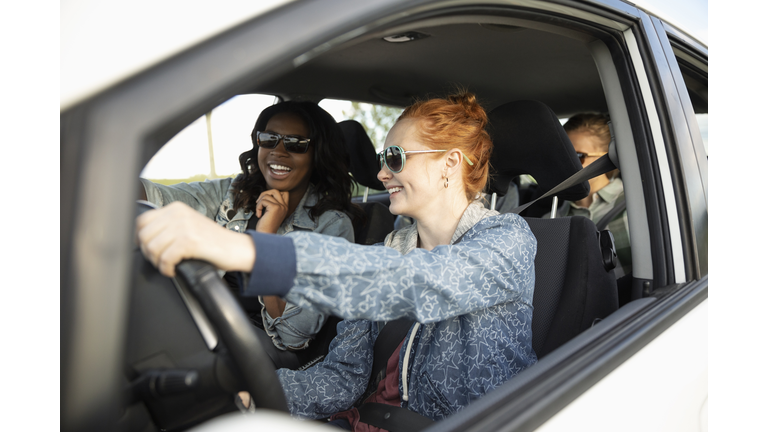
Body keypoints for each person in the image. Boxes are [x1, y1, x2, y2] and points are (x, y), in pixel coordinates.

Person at [136, 92, 538, 429]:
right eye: (383, 158)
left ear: (450, 162)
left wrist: (247, 250)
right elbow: (343, 377)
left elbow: (414, 283)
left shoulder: (507, 241)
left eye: (395, 158)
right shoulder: (389, 250)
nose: (381, 173)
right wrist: (254, 390)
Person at [139, 100, 364, 362]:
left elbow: (293, 336)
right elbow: (159, 197)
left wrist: (265, 240)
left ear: (317, 153)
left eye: (296, 143)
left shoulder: (332, 226)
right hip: (206, 321)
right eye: (269, 139)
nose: (278, 152)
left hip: (263, 347)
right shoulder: (235, 193)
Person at [547, 113, 631, 277]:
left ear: (607, 158)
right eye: (564, 155)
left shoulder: (635, 207)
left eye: (578, 156)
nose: (567, 163)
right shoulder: (551, 217)